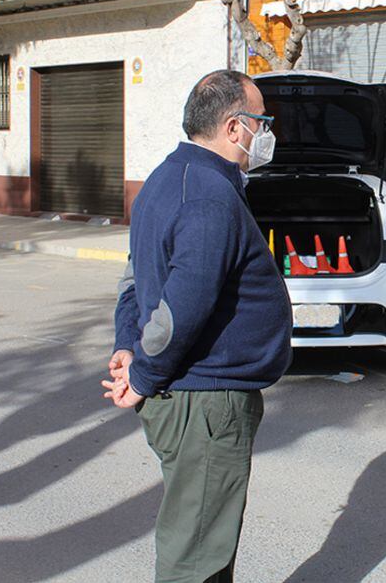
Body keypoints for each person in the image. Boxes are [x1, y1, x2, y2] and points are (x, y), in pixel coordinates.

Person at [102, 69, 292, 583]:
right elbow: (182, 307)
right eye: (262, 120)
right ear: (235, 128)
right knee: (195, 557)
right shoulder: (208, 195)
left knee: (208, 538)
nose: (267, 132)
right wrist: (140, 372)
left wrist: (127, 345)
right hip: (205, 404)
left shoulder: (168, 178)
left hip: (191, 400)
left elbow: (135, 278)